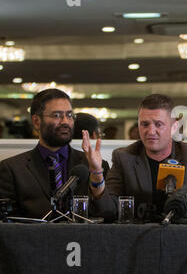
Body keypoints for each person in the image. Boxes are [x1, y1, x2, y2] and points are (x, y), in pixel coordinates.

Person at [82, 94, 187, 222]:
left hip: (182, 238)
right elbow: (107, 210)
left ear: (174, 127)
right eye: (145, 124)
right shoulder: (124, 157)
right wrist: (96, 174)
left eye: (158, 124)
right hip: (135, 238)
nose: (150, 131)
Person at [0, 89, 109, 219]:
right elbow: (7, 224)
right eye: (56, 115)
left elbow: (109, 214)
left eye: (69, 115)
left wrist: (97, 174)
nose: (65, 122)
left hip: (83, 238)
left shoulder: (95, 166)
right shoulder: (12, 169)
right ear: (36, 121)